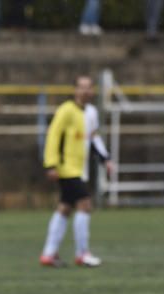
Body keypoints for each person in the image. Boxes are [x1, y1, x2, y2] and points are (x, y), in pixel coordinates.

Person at [40, 75, 105, 268]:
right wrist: (50, 164)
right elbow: (53, 135)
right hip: (66, 168)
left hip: (80, 168)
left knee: (65, 208)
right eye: (81, 87)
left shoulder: (91, 112)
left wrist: (105, 158)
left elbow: (94, 139)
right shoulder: (66, 110)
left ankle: (48, 254)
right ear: (74, 90)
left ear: (93, 91)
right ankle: (82, 254)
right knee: (85, 204)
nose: (85, 91)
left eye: (88, 87)